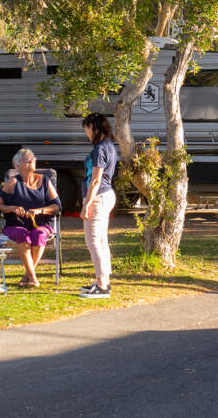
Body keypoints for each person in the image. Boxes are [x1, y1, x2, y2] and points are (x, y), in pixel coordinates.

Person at [0, 148, 61, 287]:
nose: (32, 162)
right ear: (17, 165)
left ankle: (27, 275)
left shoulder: (45, 181)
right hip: (15, 224)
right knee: (22, 235)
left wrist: (39, 211)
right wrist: (12, 208)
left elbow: (57, 206)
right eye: (28, 160)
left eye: (33, 159)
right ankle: (33, 277)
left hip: (39, 224)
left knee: (39, 234)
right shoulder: (13, 182)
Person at [80, 113, 117, 299]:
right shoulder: (109, 146)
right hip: (106, 194)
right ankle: (103, 280)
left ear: (94, 128)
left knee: (93, 242)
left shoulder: (100, 149)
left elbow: (95, 180)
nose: (86, 132)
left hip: (98, 196)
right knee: (101, 241)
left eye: (87, 128)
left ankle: (102, 285)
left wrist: (87, 203)